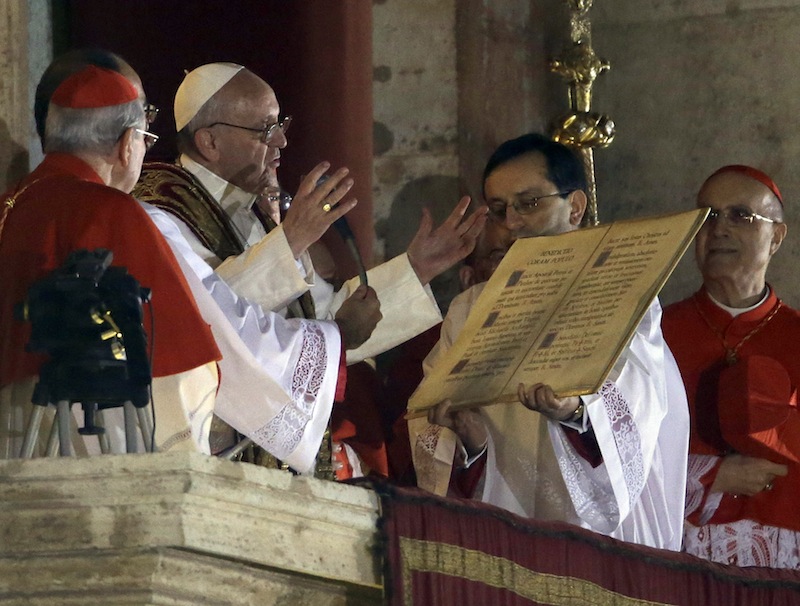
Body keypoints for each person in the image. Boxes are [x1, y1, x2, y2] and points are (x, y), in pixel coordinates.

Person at [26, 50, 384, 474]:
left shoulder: (16, 208)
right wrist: (333, 336)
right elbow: (215, 325)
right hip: (117, 455)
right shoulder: (136, 215)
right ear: (127, 145)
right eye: (146, 131)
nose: (281, 142)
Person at [410, 133, 690, 550]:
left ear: (575, 206)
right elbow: (432, 415)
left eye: (529, 204)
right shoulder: (469, 310)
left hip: (607, 544)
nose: (512, 223)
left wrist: (576, 411)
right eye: (500, 210)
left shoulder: (621, 291)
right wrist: (469, 443)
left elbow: (639, 405)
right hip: (505, 533)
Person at [133, 62, 486, 363]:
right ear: (209, 142)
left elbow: (326, 320)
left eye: (280, 125)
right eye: (265, 130)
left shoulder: (250, 207)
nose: (281, 142)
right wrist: (293, 237)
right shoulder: (159, 212)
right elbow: (203, 320)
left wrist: (416, 269)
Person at [0, 65, 225, 456]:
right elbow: (169, 360)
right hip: (85, 438)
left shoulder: (10, 204)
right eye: (144, 140)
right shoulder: (110, 211)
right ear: (126, 144)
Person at [662, 165, 799, 568]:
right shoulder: (654, 336)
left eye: (740, 215)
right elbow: (621, 455)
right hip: (677, 556)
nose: (718, 228)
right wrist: (708, 475)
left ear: (775, 236)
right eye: (708, 216)